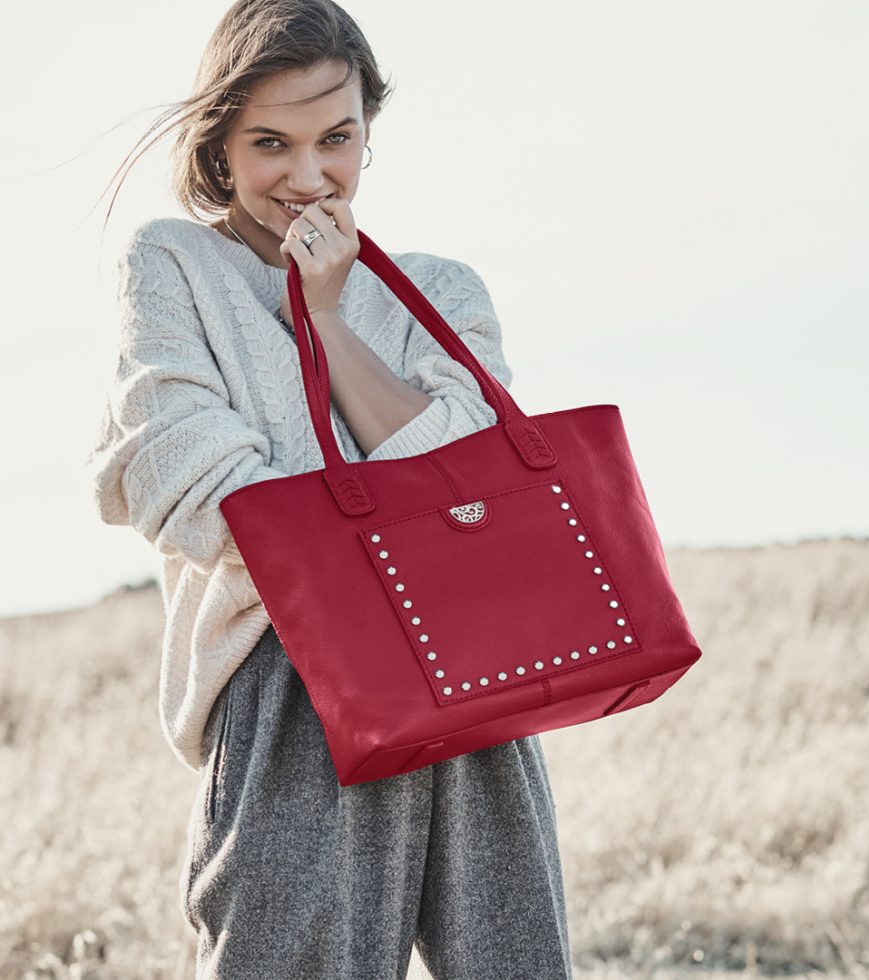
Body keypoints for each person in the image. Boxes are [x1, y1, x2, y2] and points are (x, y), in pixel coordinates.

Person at [84, 1, 573, 977]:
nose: (308, 177)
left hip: (470, 675)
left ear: (367, 131)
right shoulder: (175, 264)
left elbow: (480, 487)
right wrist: (412, 519)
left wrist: (330, 317)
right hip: (291, 682)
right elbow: (188, 480)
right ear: (220, 145)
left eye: (336, 140)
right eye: (271, 143)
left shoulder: (441, 290)